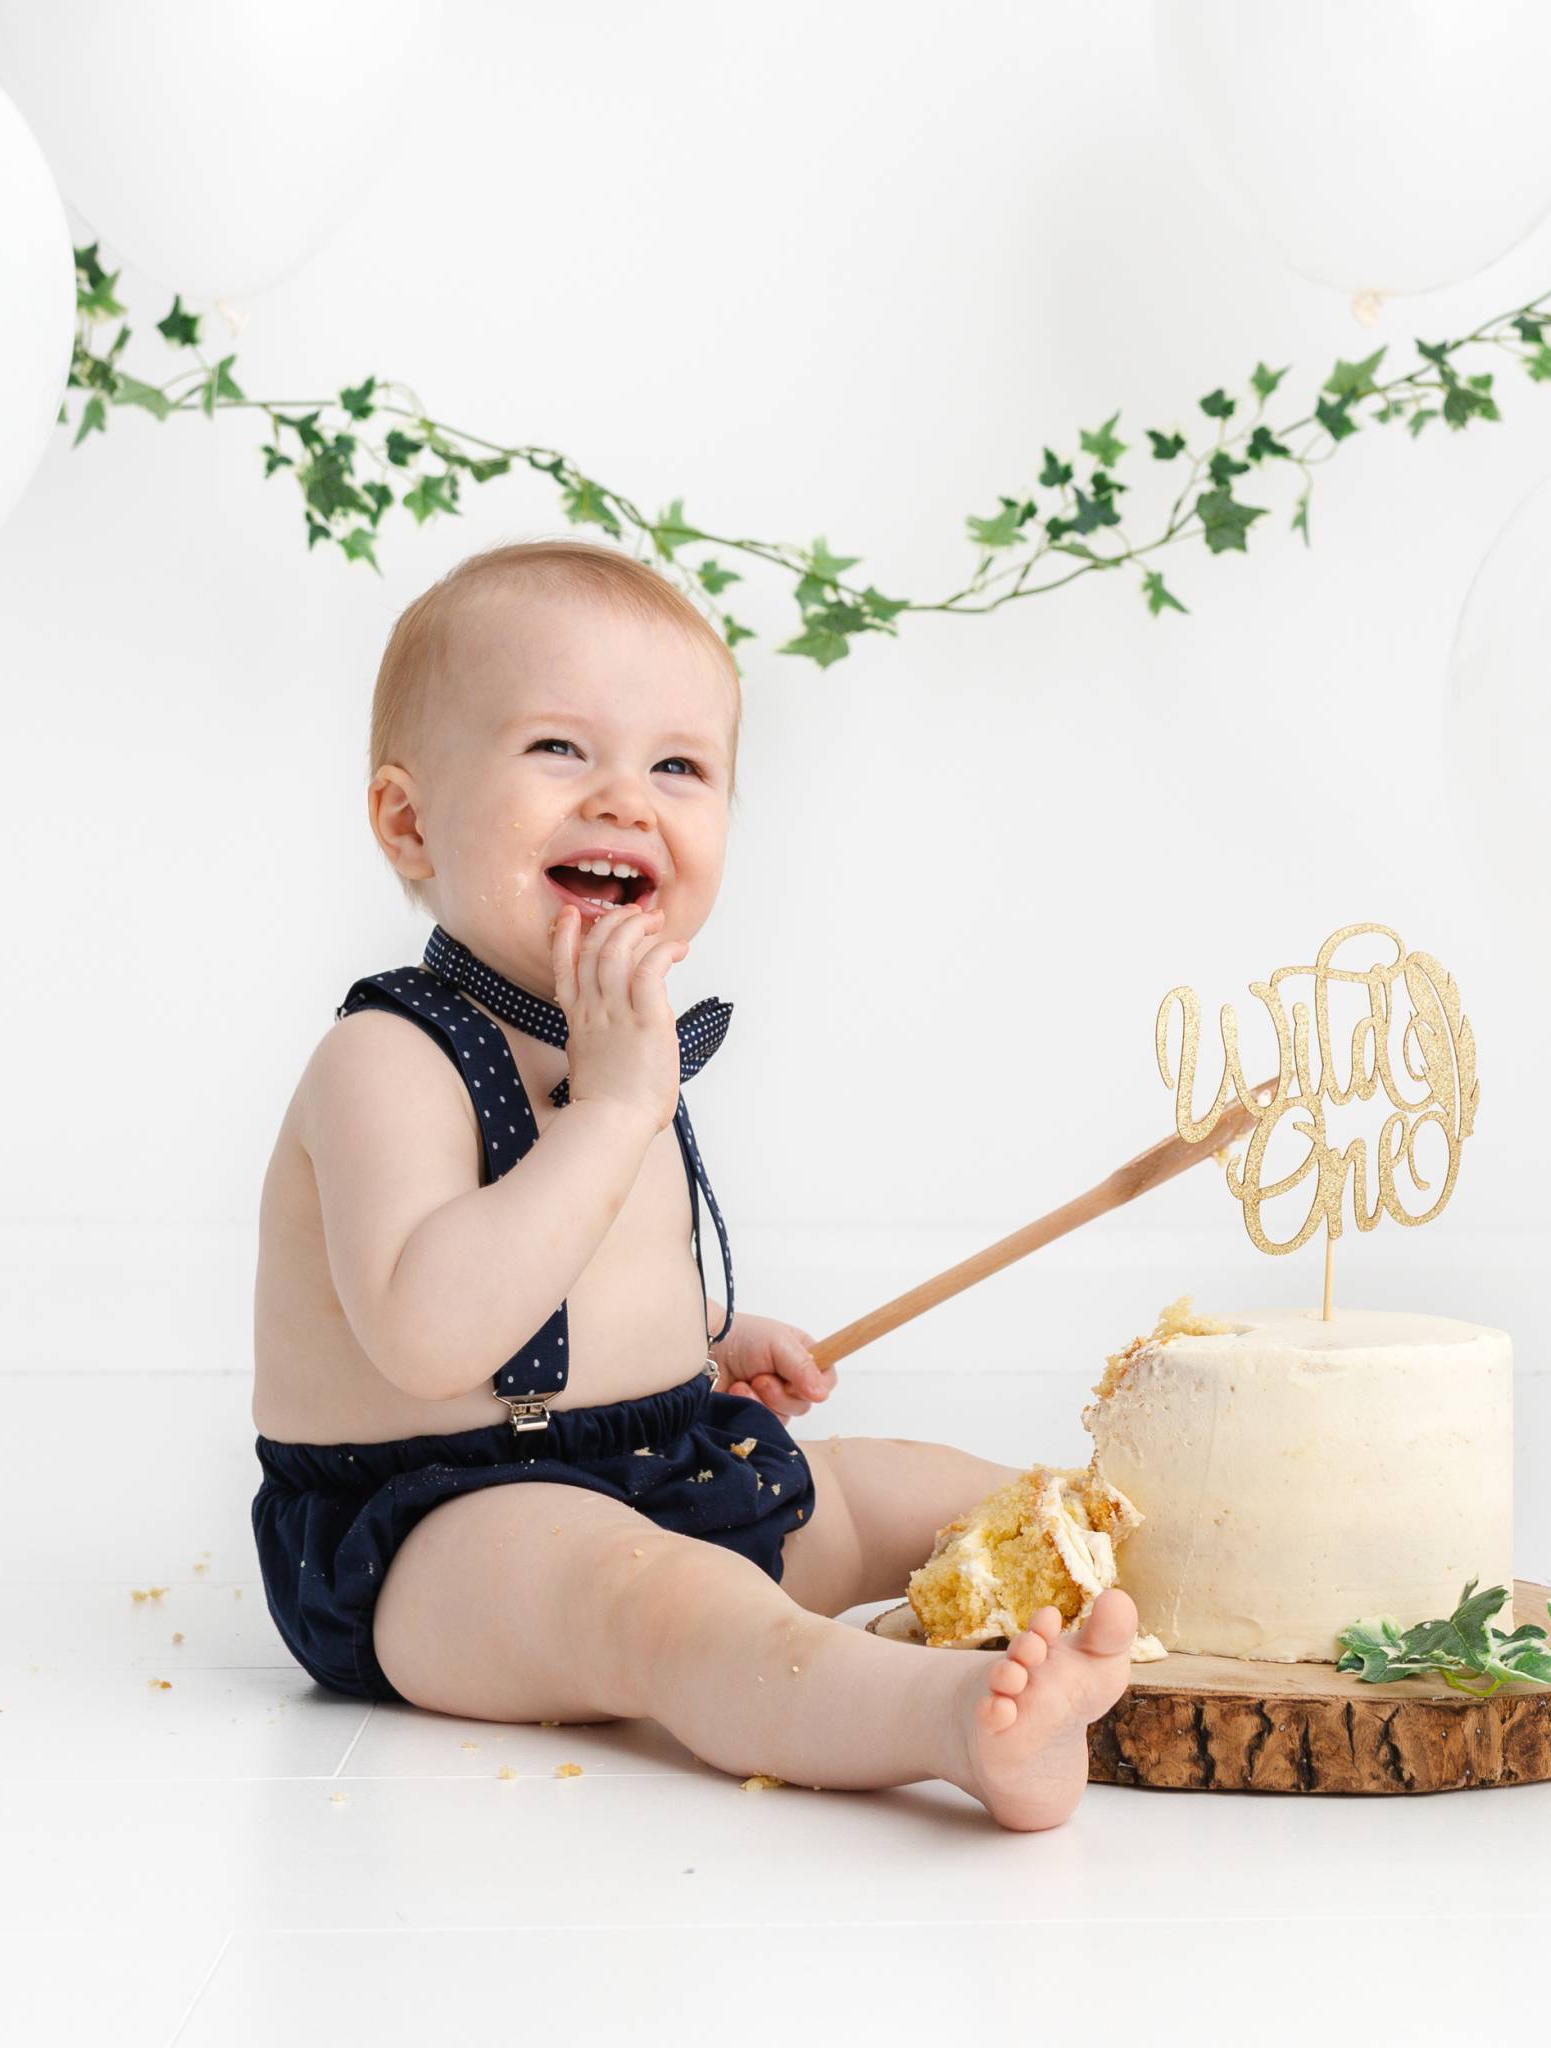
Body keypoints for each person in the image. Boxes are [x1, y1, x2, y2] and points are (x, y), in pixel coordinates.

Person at [249, 537, 1137, 1831]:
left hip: (657, 1457)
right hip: (432, 1536)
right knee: (669, 1611)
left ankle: (1205, 1582)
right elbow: (435, 1334)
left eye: (678, 766)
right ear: (409, 819)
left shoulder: (618, 1049)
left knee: (918, 1490)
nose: (625, 798)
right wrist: (617, 1110)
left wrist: (703, 1338)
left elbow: (587, 1272)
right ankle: (955, 1726)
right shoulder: (386, 1058)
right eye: (559, 749)